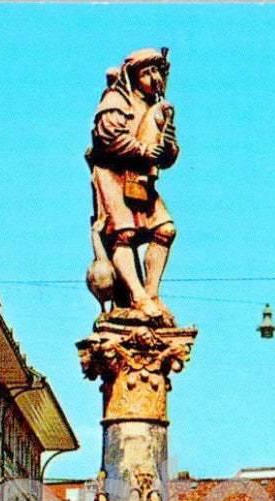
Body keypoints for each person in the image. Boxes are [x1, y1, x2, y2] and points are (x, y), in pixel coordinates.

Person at [87, 48, 179, 323]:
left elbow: (168, 155)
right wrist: (142, 150)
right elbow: (108, 136)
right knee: (122, 234)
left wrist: (166, 149)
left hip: (142, 180)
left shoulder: (156, 109)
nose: (154, 78)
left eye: (157, 71)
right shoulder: (117, 99)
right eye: (147, 72)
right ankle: (137, 297)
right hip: (112, 174)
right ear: (133, 75)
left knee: (165, 230)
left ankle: (151, 294)